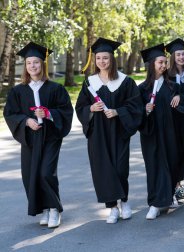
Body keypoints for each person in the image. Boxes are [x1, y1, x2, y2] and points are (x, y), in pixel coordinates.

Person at [3, 42, 73, 228]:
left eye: (36, 62)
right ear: (25, 66)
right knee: (31, 175)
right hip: (30, 138)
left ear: (43, 64)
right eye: (29, 63)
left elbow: (66, 110)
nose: (32, 66)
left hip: (50, 136)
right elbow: (10, 113)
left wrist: (49, 114)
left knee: (46, 173)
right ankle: (44, 208)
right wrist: (27, 121)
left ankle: (55, 210)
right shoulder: (18, 91)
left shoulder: (55, 89)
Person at [75, 38, 143, 224]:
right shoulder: (89, 83)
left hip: (118, 131)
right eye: (98, 58)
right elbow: (80, 106)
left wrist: (118, 111)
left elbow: (135, 106)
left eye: (105, 58)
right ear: (95, 60)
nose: (102, 61)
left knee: (120, 168)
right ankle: (112, 208)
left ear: (112, 59)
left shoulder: (125, 82)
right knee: (103, 170)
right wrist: (90, 109)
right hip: (97, 133)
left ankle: (125, 202)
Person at [138, 43, 184, 219]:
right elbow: (135, 113)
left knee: (171, 162)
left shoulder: (173, 86)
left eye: (165, 62)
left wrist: (180, 96)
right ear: (152, 64)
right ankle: (155, 203)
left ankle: (169, 195)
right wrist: (145, 109)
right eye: (160, 62)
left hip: (171, 132)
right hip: (151, 134)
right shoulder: (142, 89)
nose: (164, 65)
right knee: (154, 166)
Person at [166, 38, 184, 201]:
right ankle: (174, 184)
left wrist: (180, 96)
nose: (181, 57)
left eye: (183, 54)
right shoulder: (166, 75)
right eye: (178, 54)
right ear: (173, 57)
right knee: (172, 150)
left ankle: (179, 182)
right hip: (170, 117)